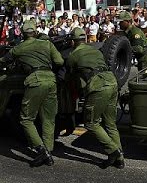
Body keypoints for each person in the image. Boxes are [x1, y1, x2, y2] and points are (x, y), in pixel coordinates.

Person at [0, 20, 64, 167]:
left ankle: (41, 150)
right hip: (51, 80)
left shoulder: (19, 48)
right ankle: (48, 152)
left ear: (23, 34)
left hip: (35, 81)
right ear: (35, 32)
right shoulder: (47, 44)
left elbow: (4, 61)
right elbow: (59, 61)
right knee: (48, 119)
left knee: (26, 119)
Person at [65, 27, 124, 169]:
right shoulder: (95, 50)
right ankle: (119, 158)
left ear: (73, 42)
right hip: (112, 81)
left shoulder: (73, 55)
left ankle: (113, 151)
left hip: (98, 86)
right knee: (110, 124)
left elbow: (70, 75)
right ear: (84, 39)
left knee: (91, 123)